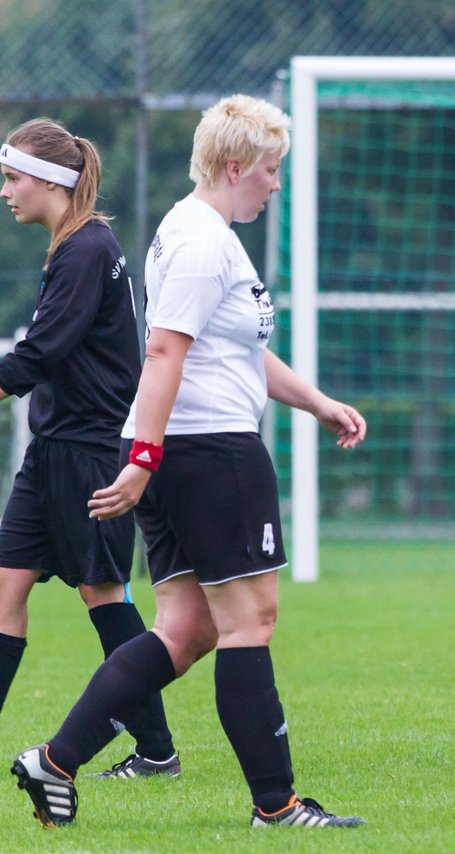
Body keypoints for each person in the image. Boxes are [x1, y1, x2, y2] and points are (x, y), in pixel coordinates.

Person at [10, 95, 368, 829]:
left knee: (184, 630)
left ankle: (56, 760)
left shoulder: (192, 232)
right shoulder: (204, 241)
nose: (275, 184)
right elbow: (166, 350)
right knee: (249, 622)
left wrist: (317, 402)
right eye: (270, 170)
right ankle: (278, 805)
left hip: (182, 451)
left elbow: (234, 349)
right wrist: (142, 455)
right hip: (211, 453)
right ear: (235, 166)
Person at [0, 119, 182, 779]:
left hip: (91, 450)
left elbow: (42, 352)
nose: (5, 192)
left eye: (13, 178)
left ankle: (157, 750)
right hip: (51, 449)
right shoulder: (72, 243)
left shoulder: (86, 248)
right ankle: (157, 750)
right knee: (5, 587)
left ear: (50, 181)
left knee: (103, 594)